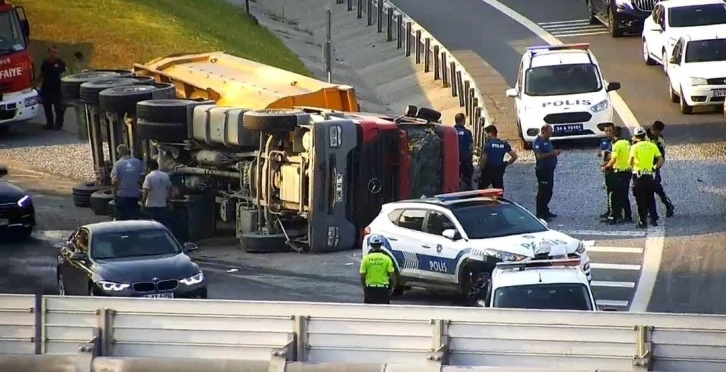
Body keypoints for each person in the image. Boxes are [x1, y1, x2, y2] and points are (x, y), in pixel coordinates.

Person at [629, 127, 664, 228]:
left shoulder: (634, 147)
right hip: (649, 175)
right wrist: (654, 167)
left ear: (636, 137)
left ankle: (642, 222)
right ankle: (654, 219)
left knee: (640, 200)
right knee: (650, 197)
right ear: (645, 135)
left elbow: (630, 162)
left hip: (638, 176)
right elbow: (660, 159)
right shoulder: (652, 145)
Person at [601, 126, 633, 224]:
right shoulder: (628, 143)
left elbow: (614, 159)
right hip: (628, 171)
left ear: (614, 134)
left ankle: (615, 216)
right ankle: (627, 216)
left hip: (618, 172)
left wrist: (606, 166)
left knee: (615, 195)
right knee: (624, 194)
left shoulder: (616, 145)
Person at [532, 124, 561, 221]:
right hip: (543, 170)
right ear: (543, 132)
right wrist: (552, 154)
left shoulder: (547, 141)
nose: (551, 134)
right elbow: (539, 156)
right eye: (549, 132)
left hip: (549, 170)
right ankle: (540, 214)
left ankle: (546, 210)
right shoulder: (537, 142)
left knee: (549, 191)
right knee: (543, 192)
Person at [359, 235, 397, 304]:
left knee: (368, 311)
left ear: (370, 245)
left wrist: (364, 286)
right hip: (383, 289)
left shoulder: (366, 259)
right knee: (383, 312)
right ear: (381, 245)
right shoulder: (387, 259)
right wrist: (393, 287)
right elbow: (392, 275)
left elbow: (362, 275)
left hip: (370, 288)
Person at [648, 121, 674, 217]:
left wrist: (656, 167)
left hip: (654, 167)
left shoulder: (659, 140)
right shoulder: (645, 136)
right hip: (644, 166)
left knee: (657, 188)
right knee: (647, 189)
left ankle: (668, 205)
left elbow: (662, 156)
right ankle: (649, 210)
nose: (658, 133)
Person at [478, 125, 518, 190]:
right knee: (499, 190)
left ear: (491, 133)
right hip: (499, 169)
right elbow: (514, 156)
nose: (486, 135)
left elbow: (484, 159)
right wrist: (506, 164)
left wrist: (479, 170)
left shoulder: (488, 145)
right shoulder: (503, 144)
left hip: (488, 169)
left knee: (482, 189)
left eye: (487, 133)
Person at [37, 46, 67, 130]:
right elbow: (41, 74)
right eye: (53, 52)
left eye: (56, 53)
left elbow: (65, 74)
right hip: (46, 87)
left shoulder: (61, 63)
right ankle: (49, 123)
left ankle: (58, 124)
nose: (55, 54)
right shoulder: (45, 62)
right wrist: (35, 84)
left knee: (59, 108)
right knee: (47, 107)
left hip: (57, 88)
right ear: (49, 53)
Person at [111, 144, 144, 221]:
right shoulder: (137, 162)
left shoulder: (118, 164)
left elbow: (115, 180)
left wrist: (114, 193)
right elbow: (141, 177)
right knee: (134, 219)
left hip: (122, 195)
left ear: (119, 154)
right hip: (134, 195)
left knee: (122, 220)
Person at [141, 159, 172, 228]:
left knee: (152, 226)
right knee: (162, 225)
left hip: (151, 206)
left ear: (149, 167)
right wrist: (168, 201)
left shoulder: (149, 177)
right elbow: (169, 190)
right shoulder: (165, 176)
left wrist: (142, 203)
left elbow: (146, 192)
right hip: (162, 205)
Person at [597, 123, 615, 220]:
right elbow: (600, 153)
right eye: (606, 131)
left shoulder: (615, 142)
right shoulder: (603, 141)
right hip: (606, 169)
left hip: (614, 169)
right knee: (609, 191)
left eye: (610, 131)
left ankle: (616, 212)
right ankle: (610, 210)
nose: (608, 133)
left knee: (614, 192)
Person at [454, 113, 473, 190]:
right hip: (465, 159)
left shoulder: (452, 130)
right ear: (463, 120)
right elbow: (471, 146)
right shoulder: (467, 132)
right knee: (468, 177)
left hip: (453, 158)